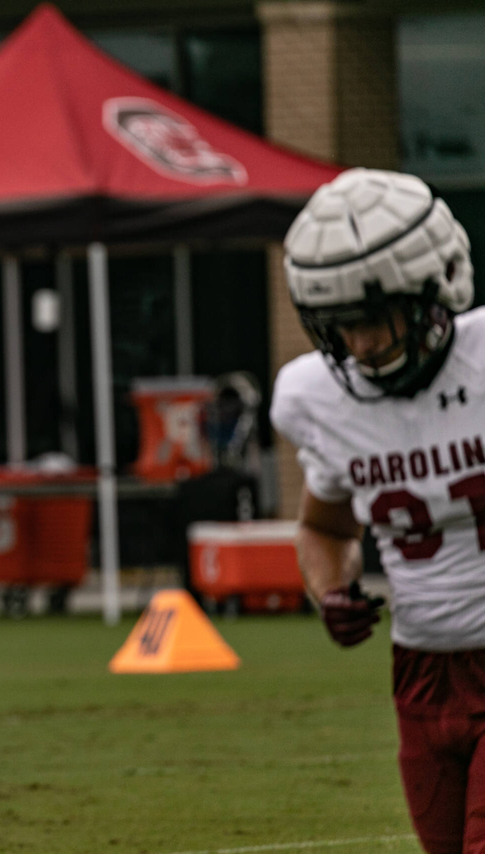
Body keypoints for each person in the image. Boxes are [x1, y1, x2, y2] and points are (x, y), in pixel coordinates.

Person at [271, 167, 484, 853]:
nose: (359, 344)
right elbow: (323, 525)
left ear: (433, 287)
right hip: (420, 675)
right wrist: (330, 588)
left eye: (371, 317)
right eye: (341, 324)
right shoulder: (318, 400)